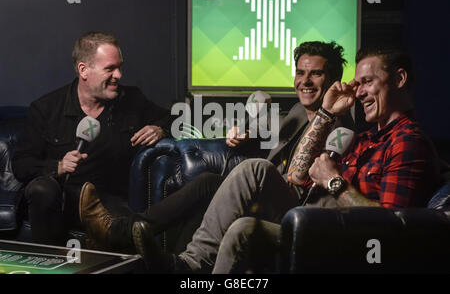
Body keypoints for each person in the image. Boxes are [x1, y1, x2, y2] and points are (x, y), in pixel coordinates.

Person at [132, 46, 441, 273]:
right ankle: (187, 266)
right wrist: (326, 113)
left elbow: (394, 229)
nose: (358, 93)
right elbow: (294, 177)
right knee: (249, 198)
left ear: (399, 79)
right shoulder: (364, 139)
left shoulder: (407, 141)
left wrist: (335, 182)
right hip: (308, 214)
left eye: (368, 82)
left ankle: (183, 264)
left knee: (247, 207)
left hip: (338, 235)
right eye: (357, 84)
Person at [79, 41, 357, 254]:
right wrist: (247, 135)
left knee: (209, 186)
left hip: (295, 208)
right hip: (269, 192)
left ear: (333, 80)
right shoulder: (297, 111)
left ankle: (121, 233)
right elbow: (275, 139)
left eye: (316, 74)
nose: (305, 81)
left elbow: (299, 175)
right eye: (300, 72)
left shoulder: (339, 126)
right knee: (207, 186)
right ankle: (165, 258)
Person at [12, 32, 171, 247]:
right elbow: (21, 164)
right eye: (110, 69)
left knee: (122, 223)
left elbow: (178, 118)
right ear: (83, 70)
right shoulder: (46, 109)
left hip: (110, 203)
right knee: (41, 190)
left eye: (120, 67)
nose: (119, 75)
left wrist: (159, 129)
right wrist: (58, 166)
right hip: (61, 201)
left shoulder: (132, 100)